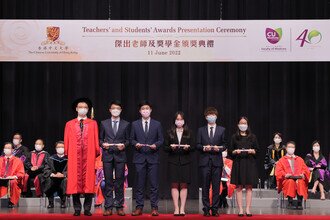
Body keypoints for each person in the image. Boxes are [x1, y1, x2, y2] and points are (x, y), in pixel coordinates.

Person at [64, 98, 100, 216]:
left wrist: (95, 151)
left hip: (88, 156)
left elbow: (95, 140)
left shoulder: (93, 123)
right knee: (74, 182)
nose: (83, 109)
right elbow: (66, 140)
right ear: (76, 109)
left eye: (85, 107)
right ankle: (77, 209)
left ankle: (88, 209)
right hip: (75, 156)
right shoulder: (69, 124)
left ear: (88, 109)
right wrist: (67, 152)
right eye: (80, 107)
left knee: (89, 182)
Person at [130, 100, 164, 216]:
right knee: (139, 184)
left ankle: (154, 207)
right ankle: (139, 207)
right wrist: (136, 144)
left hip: (153, 157)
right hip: (139, 157)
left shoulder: (157, 124)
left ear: (150, 110)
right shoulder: (135, 124)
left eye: (147, 109)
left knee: (154, 184)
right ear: (140, 111)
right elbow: (131, 139)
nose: (145, 111)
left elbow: (161, 140)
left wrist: (156, 145)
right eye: (143, 109)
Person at [99, 100, 130, 216]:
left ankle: (119, 206)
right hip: (107, 156)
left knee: (119, 182)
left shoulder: (126, 124)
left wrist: (124, 145)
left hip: (120, 156)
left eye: (118, 108)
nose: (115, 110)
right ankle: (108, 206)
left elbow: (128, 140)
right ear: (110, 110)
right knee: (108, 182)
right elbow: (100, 140)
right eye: (113, 108)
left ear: (121, 110)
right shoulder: (104, 123)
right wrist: (103, 145)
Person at [163, 111, 194, 216]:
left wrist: (187, 147)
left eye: (181, 119)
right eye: (177, 119)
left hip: (185, 161)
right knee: (174, 184)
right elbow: (165, 147)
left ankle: (182, 208)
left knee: (184, 185)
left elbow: (194, 147)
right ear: (174, 120)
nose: (179, 121)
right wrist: (171, 147)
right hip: (173, 160)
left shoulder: (189, 132)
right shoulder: (169, 132)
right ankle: (176, 208)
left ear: (184, 121)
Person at [197, 107, 226, 217]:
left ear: (216, 116)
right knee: (205, 186)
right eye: (209, 115)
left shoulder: (222, 129)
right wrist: (204, 148)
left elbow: (224, 145)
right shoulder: (201, 130)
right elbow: (198, 145)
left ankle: (215, 208)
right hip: (205, 161)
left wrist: (219, 148)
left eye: (213, 115)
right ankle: (206, 208)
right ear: (206, 117)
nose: (211, 116)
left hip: (217, 162)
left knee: (215, 187)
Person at [229, 116, 258, 217]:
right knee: (239, 187)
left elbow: (257, 151)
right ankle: (240, 209)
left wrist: (253, 151)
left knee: (249, 187)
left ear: (247, 125)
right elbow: (230, 152)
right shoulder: (234, 137)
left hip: (250, 163)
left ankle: (248, 209)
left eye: (245, 123)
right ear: (238, 125)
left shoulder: (252, 137)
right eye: (241, 123)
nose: (243, 125)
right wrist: (234, 151)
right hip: (238, 163)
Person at [275, 141, 310, 210]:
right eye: (289, 147)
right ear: (286, 148)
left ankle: (299, 202)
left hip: (298, 178)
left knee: (300, 182)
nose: (291, 148)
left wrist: (303, 174)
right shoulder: (281, 160)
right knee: (290, 181)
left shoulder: (299, 159)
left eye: (293, 147)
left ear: (295, 149)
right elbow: (278, 171)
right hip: (287, 179)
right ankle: (290, 202)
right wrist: (285, 175)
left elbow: (305, 169)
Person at [43, 141, 68, 208]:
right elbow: (46, 169)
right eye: (58, 147)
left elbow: (71, 170)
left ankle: (63, 202)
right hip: (53, 177)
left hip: (63, 178)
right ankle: (50, 202)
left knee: (65, 181)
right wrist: (52, 174)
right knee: (48, 181)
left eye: (62, 147)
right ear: (55, 148)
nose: (60, 148)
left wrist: (64, 174)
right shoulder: (50, 158)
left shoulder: (69, 159)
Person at [0, 142, 25, 208]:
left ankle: (11, 201)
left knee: (12, 182)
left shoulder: (18, 160)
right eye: (5, 148)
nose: (7, 149)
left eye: (9, 148)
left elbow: (21, 173)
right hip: (1, 179)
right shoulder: (0, 159)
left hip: (12, 179)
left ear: (12, 150)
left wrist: (13, 176)